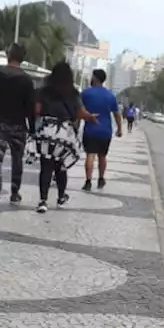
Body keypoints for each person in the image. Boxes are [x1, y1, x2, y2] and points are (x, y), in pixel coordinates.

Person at [29, 62, 97, 214]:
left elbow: (37, 110)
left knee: (46, 167)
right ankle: (60, 197)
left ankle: (43, 201)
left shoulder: (44, 90)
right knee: (61, 165)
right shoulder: (73, 92)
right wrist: (90, 117)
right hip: (64, 133)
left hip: (46, 131)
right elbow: (80, 113)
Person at [0, 43, 36, 209]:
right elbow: (30, 107)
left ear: (8, 55)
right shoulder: (26, 80)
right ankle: (14, 192)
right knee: (17, 159)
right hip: (19, 126)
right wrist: (32, 128)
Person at [80, 69, 122, 192]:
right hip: (105, 131)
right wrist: (119, 129)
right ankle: (101, 178)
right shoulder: (110, 95)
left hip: (90, 129)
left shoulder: (85, 93)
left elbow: (79, 110)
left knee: (90, 155)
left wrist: (75, 124)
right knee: (102, 156)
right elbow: (117, 114)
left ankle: (88, 181)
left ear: (95, 78)